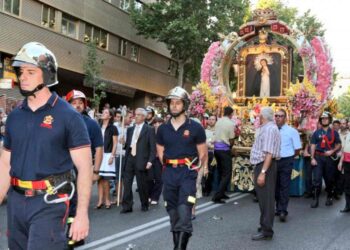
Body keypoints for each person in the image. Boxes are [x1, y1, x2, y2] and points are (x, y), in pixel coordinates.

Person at [0, 42, 92, 249]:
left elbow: (85, 168)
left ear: (47, 76)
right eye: (21, 71)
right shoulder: (14, 117)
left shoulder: (68, 116)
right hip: (16, 203)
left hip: (50, 202)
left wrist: (82, 215)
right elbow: (5, 165)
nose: (22, 77)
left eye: (30, 72)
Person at [157, 87, 207, 250]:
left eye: (178, 103)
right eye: (171, 103)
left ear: (185, 105)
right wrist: (169, 169)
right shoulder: (163, 129)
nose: (174, 106)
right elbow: (160, 153)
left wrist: (198, 174)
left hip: (187, 174)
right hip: (169, 174)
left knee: (185, 213)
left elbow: (202, 153)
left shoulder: (195, 127)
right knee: (173, 215)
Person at [65, 89, 103, 248]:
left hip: (80, 172)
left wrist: (95, 171)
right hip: (59, 173)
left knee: (75, 207)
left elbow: (99, 149)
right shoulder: (59, 121)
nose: (77, 105)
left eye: (80, 103)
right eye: (74, 103)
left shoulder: (92, 124)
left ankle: (74, 240)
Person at [250, 107, 281, 240]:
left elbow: (268, 153)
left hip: (265, 165)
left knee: (266, 199)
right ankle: (264, 224)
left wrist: (263, 172)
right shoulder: (268, 128)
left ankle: (267, 230)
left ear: (263, 117)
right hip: (263, 165)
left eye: (259, 116)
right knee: (263, 198)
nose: (258, 118)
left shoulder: (269, 129)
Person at [120, 108, 156, 213]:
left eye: (139, 115)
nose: (136, 116)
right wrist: (123, 143)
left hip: (142, 159)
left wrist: (150, 161)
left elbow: (152, 148)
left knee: (142, 185)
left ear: (144, 117)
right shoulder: (130, 129)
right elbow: (128, 146)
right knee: (127, 184)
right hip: (129, 158)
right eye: (135, 114)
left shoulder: (149, 129)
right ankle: (127, 206)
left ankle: (144, 204)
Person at [274, 109, 301, 222]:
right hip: (274, 161)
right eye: (276, 116)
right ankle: (278, 207)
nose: (278, 118)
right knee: (275, 186)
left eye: (281, 116)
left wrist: (289, 156)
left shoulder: (292, 131)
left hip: (286, 161)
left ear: (285, 118)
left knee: (284, 186)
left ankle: (283, 210)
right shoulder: (272, 130)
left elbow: (297, 148)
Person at [310, 112, 341, 208]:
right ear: (320, 120)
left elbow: (339, 144)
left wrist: (332, 151)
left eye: (326, 118)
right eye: (322, 119)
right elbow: (313, 145)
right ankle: (315, 199)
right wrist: (312, 158)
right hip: (318, 157)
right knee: (317, 179)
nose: (324, 120)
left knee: (329, 179)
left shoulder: (334, 133)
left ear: (329, 120)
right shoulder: (316, 132)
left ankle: (329, 197)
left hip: (329, 159)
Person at [212, 106, 235, 204]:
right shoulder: (230, 123)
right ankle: (217, 196)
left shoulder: (219, 121)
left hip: (216, 149)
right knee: (227, 173)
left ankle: (222, 193)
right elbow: (231, 139)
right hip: (224, 149)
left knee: (221, 172)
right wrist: (231, 147)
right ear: (231, 114)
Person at [97, 108, 118, 209]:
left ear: (110, 116)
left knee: (105, 179)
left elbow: (115, 143)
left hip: (108, 154)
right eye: (103, 112)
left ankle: (107, 200)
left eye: (105, 113)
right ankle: (100, 200)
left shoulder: (113, 128)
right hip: (99, 154)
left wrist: (112, 156)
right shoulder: (98, 126)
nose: (103, 114)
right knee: (99, 178)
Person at [148, 117, 164, 205]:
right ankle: (149, 195)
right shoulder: (150, 132)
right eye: (155, 123)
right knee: (149, 178)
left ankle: (155, 197)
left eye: (159, 123)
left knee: (159, 179)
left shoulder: (165, 133)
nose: (157, 124)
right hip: (150, 158)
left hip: (160, 159)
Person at [203, 115, 217, 196]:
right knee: (204, 170)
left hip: (213, 153)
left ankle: (208, 188)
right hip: (205, 153)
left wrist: (211, 145)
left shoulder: (218, 131)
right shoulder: (205, 131)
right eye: (210, 119)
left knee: (211, 171)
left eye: (213, 119)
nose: (211, 121)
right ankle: (204, 187)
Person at [338, 126, 350, 212]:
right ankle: (348, 206)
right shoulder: (347, 135)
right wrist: (340, 162)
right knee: (347, 184)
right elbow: (343, 150)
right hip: (347, 163)